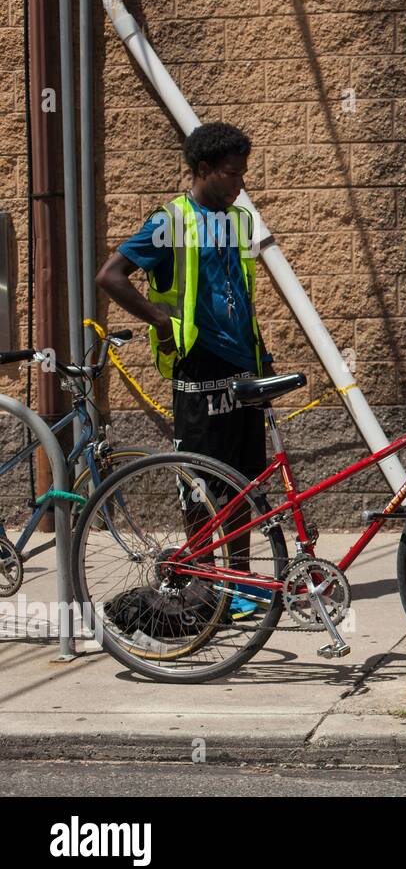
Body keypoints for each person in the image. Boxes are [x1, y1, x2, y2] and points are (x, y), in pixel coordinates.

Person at [96, 122, 272, 618]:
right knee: (199, 481)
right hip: (198, 370)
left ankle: (239, 579)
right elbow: (109, 276)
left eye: (243, 173)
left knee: (243, 480)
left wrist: (259, 350)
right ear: (202, 170)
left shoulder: (236, 219)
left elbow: (238, 292)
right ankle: (201, 582)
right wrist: (161, 319)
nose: (240, 184)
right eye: (232, 174)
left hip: (242, 366)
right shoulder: (171, 220)